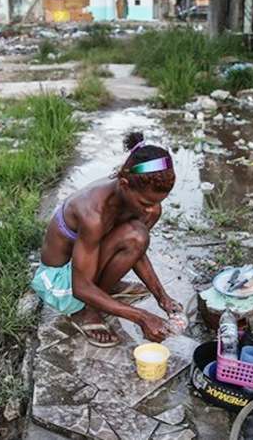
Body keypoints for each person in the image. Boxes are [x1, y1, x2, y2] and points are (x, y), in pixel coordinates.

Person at [32, 131, 182, 347]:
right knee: (136, 234)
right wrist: (141, 317)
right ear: (124, 185)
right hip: (60, 283)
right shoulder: (92, 213)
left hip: (82, 264)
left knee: (136, 236)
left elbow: (136, 250)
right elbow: (80, 287)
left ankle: (104, 289)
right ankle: (85, 312)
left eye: (158, 201)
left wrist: (162, 297)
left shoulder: (140, 203)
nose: (152, 209)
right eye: (145, 202)